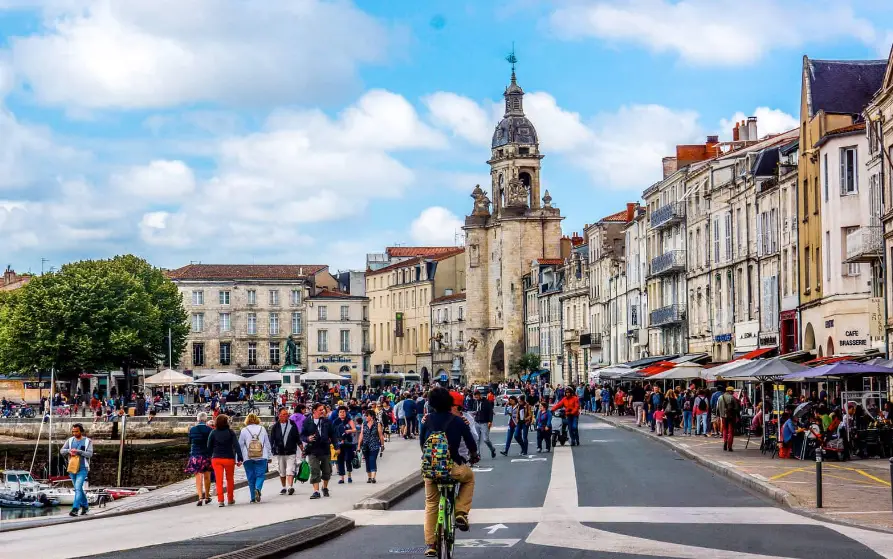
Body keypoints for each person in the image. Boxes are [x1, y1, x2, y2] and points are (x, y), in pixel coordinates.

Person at [420, 388, 479, 558]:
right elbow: (471, 444)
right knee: (469, 478)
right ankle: (461, 512)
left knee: (431, 504)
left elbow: (422, 443)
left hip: (431, 470)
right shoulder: (458, 421)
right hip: (453, 467)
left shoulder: (426, 420)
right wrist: (474, 456)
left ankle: (431, 544)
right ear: (449, 403)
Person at [301, 402, 337, 499]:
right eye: (320, 410)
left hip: (325, 449)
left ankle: (325, 487)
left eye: (323, 409)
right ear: (314, 411)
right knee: (314, 470)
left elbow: (333, 435)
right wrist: (307, 438)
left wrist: (336, 447)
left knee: (327, 471)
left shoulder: (327, 421)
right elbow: (302, 435)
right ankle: (316, 491)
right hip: (313, 449)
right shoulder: (307, 421)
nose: (323, 411)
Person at [207, 413, 243, 507]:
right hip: (229, 458)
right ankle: (230, 499)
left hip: (216, 458)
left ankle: (221, 500)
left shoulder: (213, 432)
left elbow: (209, 447)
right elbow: (236, 446)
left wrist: (209, 457)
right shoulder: (230, 432)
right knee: (230, 479)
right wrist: (240, 457)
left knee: (219, 480)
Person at [60, 424, 94, 517]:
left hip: (83, 468)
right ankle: (85, 507)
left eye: (76, 431)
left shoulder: (87, 441)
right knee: (78, 489)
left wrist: (79, 451)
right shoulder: (70, 440)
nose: (74, 433)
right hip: (72, 468)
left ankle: (75, 509)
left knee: (78, 488)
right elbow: (62, 451)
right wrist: (69, 451)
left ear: (81, 431)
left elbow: (90, 454)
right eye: (73, 431)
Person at [238, 413, 271, 503]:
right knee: (260, 475)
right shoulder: (262, 429)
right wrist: (269, 455)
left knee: (250, 477)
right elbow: (267, 443)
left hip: (247, 456)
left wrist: (238, 458)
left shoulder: (244, 430)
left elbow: (240, 445)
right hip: (261, 455)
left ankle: (253, 498)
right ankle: (258, 488)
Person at [270, 407, 302, 496]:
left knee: (290, 469)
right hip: (280, 452)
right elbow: (272, 439)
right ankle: (284, 487)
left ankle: (290, 487)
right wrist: (272, 450)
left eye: (287, 414)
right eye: (284, 414)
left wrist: (301, 447)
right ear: (279, 415)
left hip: (291, 451)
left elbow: (297, 437)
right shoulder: (275, 427)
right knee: (282, 471)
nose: (286, 416)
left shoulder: (292, 424)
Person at [185, 412, 213, 506]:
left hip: (195, 455)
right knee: (207, 476)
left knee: (198, 477)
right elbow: (211, 443)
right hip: (206, 455)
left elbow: (189, 441)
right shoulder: (210, 430)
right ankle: (207, 497)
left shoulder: (192, 429)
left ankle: (200, 497)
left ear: (197, 419)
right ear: (206, 420)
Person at [356, 408, 384, 483]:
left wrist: (382, 445)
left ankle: (373, 477)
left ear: (371, 416)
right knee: (367, 461)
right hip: (365, 445)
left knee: (372, 459)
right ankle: (369, 477)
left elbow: (380, 435)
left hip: (374, 445)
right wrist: (358, 445)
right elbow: (361, 435)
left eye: (367, 416)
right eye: (365, 416)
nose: (365, 417)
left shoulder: (377, 424)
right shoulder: (364, 424)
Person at [334, 406, 358, 484]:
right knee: (340, 460)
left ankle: (349, 476)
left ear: (346, 413)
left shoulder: (349, 420)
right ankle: (342, 478)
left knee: (348, 459)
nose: (342, 413)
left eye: (343, 412)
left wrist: (348, 431)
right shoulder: (335, 421)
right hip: (339, 444)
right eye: (340, 412)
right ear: (338, 413)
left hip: (348, 443)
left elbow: (354, 429)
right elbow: (333, 432)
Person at [470, 390, 496, 458]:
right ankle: (478, 454)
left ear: (480, 395)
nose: (476, 398)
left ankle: (492, 449)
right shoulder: (475, 402)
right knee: (477, 439)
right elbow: (474, 410)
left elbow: (490, 412)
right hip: (476, 422)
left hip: (484, 423)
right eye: (475, 397)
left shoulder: (486, 402)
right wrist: (473, 414)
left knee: (485, 439)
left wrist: (490, 421)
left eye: (477, 396)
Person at [716, 385, 741, 452]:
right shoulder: (732, 398)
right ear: (729, 391)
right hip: (731, 416)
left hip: (723, 417)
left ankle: (725, 441)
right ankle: (729, 446)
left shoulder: (720, 397)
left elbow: (717, 408)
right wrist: (738, 416)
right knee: (731, 431)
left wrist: (719, 415)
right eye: (732, 391)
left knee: (724, 430)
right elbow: (736, 408)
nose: (733, 392)